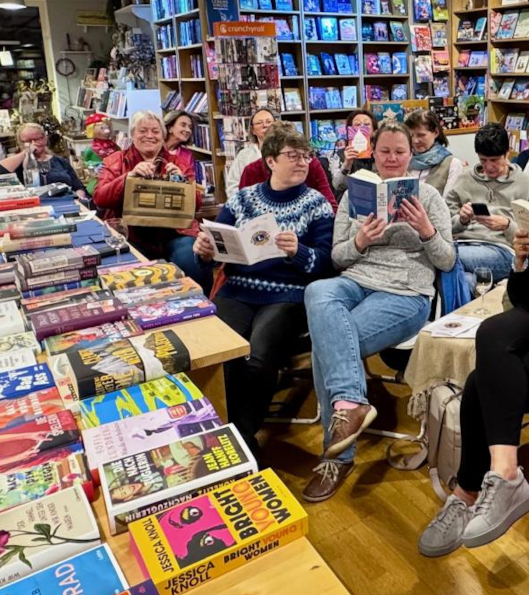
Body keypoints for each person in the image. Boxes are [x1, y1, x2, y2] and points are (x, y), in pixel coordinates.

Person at [418, 137, 529, 557]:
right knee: (492, 333)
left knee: (481, 383)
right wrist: (522, 260)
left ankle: (468, 491)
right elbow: (523, 297)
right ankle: (504, 472)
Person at [302, 121, 455, 502]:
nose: (391, 158)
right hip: (357, 279)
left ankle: (336, 456)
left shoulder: (430, 197)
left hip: (406, 292)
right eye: (384, 151)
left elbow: (448, 261)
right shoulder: (355, 194)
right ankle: (351, 404)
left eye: (399, 152)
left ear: (410, 156)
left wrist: (426, 231)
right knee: (318, 290)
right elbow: (337, 258)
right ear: (373, 151)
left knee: (329, 344)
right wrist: (359, 240)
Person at [194, 126, 334, 453]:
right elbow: (214, 250)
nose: (302, 162)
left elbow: (327, 263)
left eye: (306, 156)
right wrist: (204, 251)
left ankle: (241, 440)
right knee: (219, 352)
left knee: (258, 355)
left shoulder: (316, 204)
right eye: (293, 156)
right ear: (270, 160)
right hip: (238, 290)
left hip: (288, 297)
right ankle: (222, 431)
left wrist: (298, 252)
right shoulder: (243, 199)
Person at [93, 110, 205, 286]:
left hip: (174, 232)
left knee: (190, 258)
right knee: (130, 270)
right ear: (132, 135)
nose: (149, 136)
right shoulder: (115, 161)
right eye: (143, 131)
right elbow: (100, 198)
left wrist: (182, 182)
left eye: (155, 131)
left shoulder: (178, 163)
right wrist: (128, 178)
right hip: (131, 232)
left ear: (163, 135)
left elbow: (196, 205)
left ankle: (201, 305)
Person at [444, 123, 529, 283]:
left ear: (507, 153)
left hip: (502, 249)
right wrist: (461, 220)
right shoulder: (465, 180)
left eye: (494, 160)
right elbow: (444, 224)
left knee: (443, 257)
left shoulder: (525, 182)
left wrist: (507, 225)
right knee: (466, 281)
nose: (489, 166)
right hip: (463, 243)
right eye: (483, 160)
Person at [237, 119, 337, 212]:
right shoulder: (252, 170)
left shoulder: (310, 163)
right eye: (292, 155)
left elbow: (330, 206)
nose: (301, 162)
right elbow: (242, 211)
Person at [0, 123, 88, 198]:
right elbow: (1, 171)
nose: (34, 143)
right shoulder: (18, 163)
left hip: (66, 201)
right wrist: (27, 152)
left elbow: (78, 187)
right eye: (28, 141)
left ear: (45, 139)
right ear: (20, 143)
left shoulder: (60, 161)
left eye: (37, 139)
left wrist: (79, 197)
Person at [405, 110, 464, 198]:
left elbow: (450, 204)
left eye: (421, 135)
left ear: (436, 132)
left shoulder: (452, 164)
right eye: (411, 136)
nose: (415, 141)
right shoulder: (406, 160)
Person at [328, 109, 378, 198]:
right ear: (350, 130)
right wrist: (347, 164)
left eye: (367, 124)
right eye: (357, 124)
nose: (362, 127)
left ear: (374, 131)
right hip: (350, 201)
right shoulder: (340, 154)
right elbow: (338, 186)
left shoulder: (380, 152)